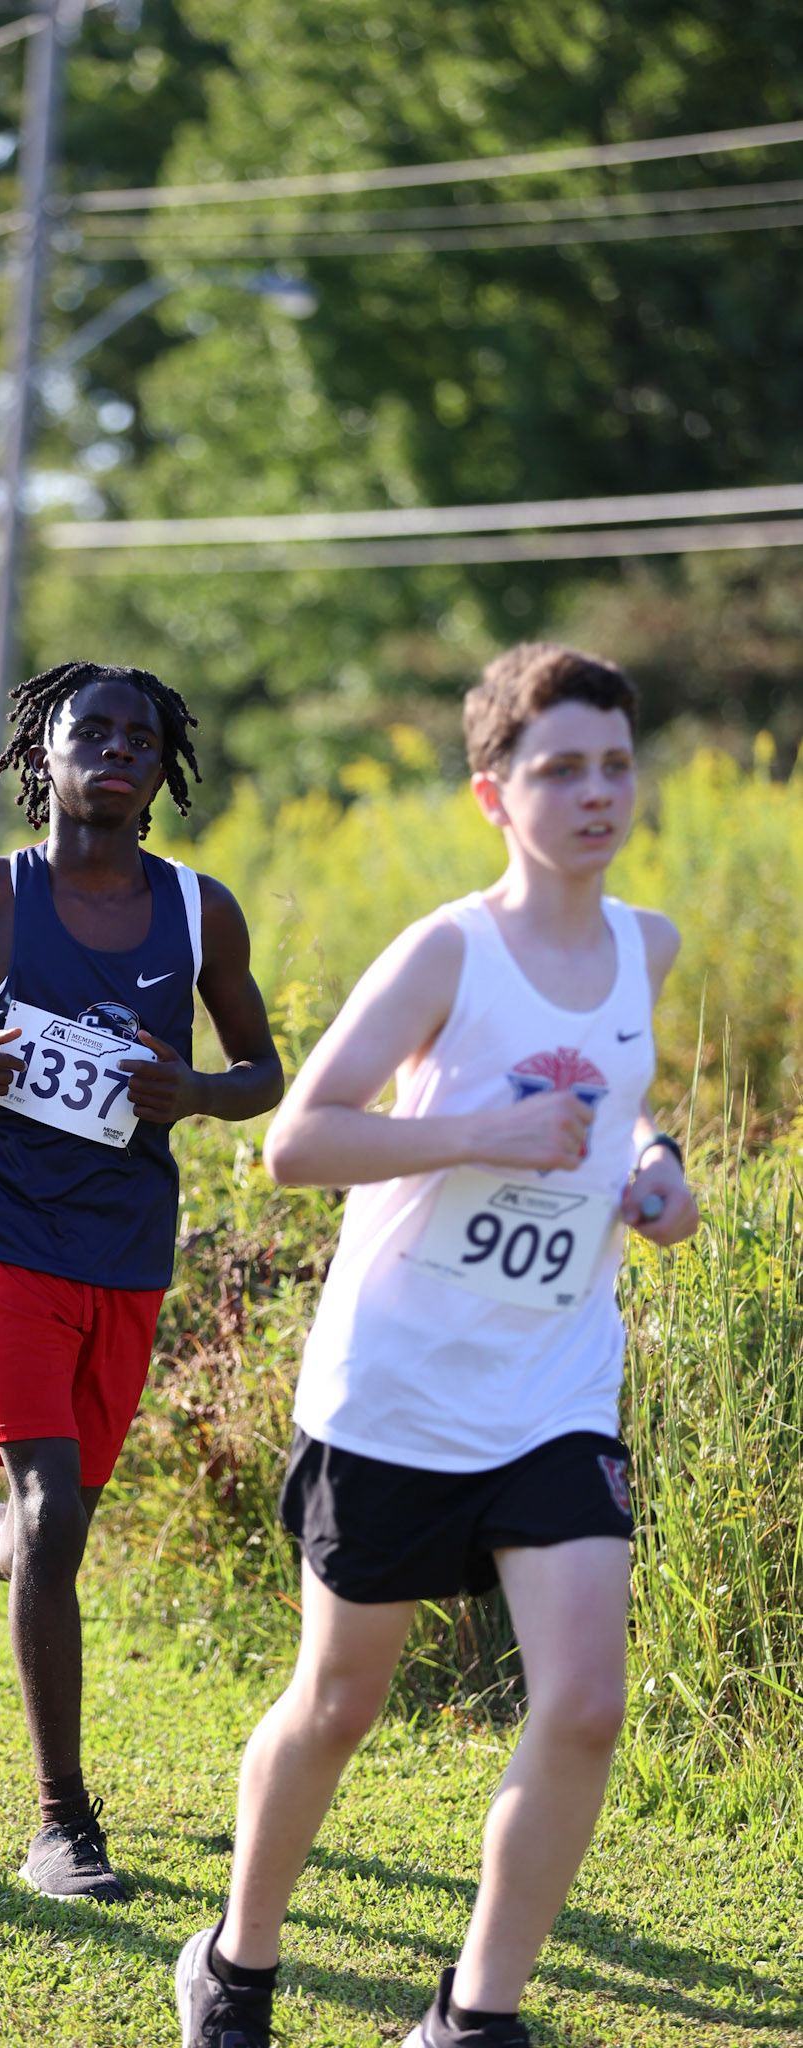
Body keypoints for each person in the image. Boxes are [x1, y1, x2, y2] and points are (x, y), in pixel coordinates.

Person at [176, 643, 700, 2048]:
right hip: (397, 1389)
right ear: (493, 793)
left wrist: (652, 1171)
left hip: (553, 1383)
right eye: (559, 771)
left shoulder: (645, 946)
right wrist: (475, 1132)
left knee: (584, 1702)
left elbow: (615, 1101)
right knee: (341, 1702)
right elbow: (296, 1142)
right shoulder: (448, 950)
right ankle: (236, 1959)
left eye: (614, 765)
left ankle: (476, 2017)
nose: (596, 794)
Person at [0, 659, 283, 1903]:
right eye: (95, 730)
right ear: (49, 755)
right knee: (54, 1509)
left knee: (47, 1525)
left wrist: (194, 1091)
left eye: (143, 737)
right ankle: (60, 1820)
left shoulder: (200, 912)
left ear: (163, 768)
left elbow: (265, 1074)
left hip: (124, 1251)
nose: (119, 750)